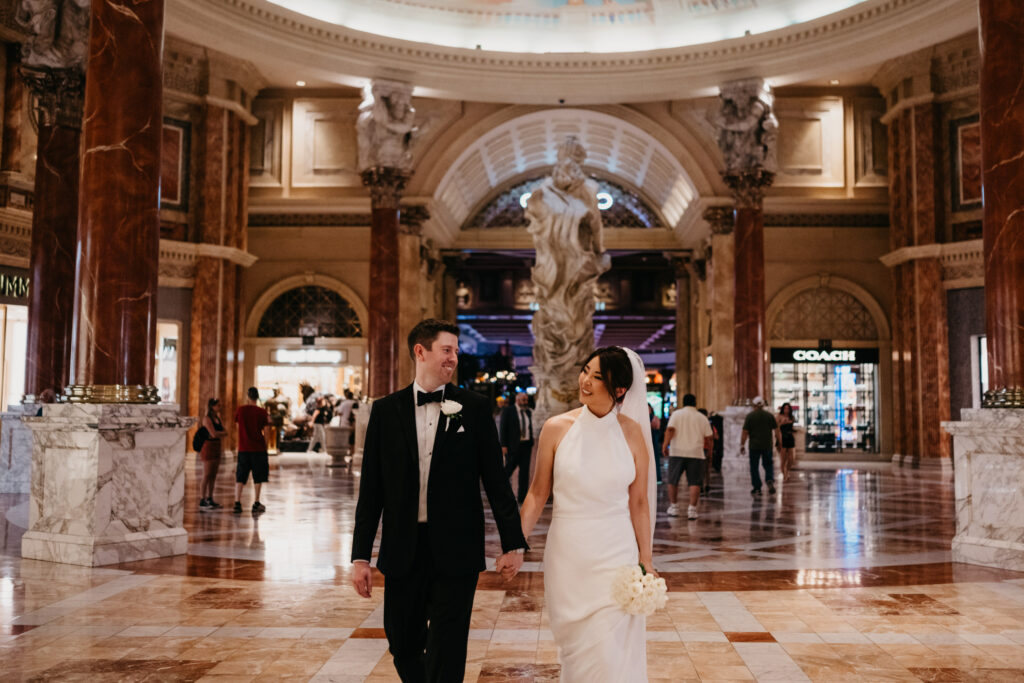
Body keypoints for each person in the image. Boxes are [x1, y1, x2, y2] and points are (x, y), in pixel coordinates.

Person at [351, 319, 527, 683]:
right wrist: (360, 556)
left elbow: (496, 481)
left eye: (456, 352)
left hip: (457, 549)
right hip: (403, 547)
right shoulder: (386, 411)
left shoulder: (475, 408)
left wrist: (513, 543)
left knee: (449, 645)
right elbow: (371, 490)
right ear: (421, 351)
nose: (454, 358)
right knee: (402, 641)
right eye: (447, 350)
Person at [517, 346, 656, 681]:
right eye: (585, 371)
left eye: (598, 377)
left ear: (619, 389)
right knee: (578, 654)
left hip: (617, 553)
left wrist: (646, 558)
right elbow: (537, 493)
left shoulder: (633, 433)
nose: (586, 381)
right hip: (569, 554)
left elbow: (638, 503)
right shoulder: (556, 428)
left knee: (611, 652)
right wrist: (514, 542)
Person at [661, 394, 713, 520]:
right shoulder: (702, 417)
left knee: (673, 480)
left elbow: (670, 430)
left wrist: (665, 445)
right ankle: (692, 509)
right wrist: (710, 452)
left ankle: (674, 507)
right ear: (695, 403)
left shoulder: (676, 414)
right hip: (696, 453)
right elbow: (709, 437)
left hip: (677, 451)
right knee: (695, 482)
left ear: (683, 402)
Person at [234, 387, 271, 514]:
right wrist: (265, 446)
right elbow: (266, 431)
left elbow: (237, 427)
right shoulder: (262, 412)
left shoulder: (241, 410)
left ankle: (237, 502)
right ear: (257, 397)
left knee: (240, 476)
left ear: (247, 397)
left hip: (244, 448)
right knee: (258, 476)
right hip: (258, 448)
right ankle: (256, 502)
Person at [740, 396, 782, 496]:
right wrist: (779, 442)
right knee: (768, 464)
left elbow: (745, 432)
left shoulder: (750, 416)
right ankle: (769, 479)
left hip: (754, 446)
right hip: (767, 445)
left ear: (754, 405)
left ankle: (757, 487)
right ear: (763, 405)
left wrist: (742, 444)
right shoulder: (769, 416)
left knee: (754, 467)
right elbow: (777, 430)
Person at [499, 392, 534, 505]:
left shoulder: (528, 412)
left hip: (526, 445)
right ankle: (500, 493)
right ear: (517, 400)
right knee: (507, 471)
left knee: (524, 473)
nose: (525, 402)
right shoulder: (508, 411)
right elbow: (503, 428)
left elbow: (529, 427)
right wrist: (503, 445)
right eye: (523, 400)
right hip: (513, 446)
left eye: (526, 400)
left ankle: (522, 498)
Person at [199, 398, 228, 509]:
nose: (220, 407)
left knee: (214, 475)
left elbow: (226, 432)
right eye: (218, 405)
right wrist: (220, 433)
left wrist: (219, 433)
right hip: (208, 446)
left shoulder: (217, 418)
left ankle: (210, 498)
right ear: (212, 406)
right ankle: (202, 499)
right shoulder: (207, 419)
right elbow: (213, 433)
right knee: (207, 474)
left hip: (216, 446)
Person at [777, 402, 797, 482]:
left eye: (788, 408)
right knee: (783, 458)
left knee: (791, 458)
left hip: (790, 437)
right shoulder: (779, 416)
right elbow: (777, 428)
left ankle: (787, 471)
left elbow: (791, 428)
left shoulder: (791, 417)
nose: (786, 410)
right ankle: (784, 474)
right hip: (782, 437)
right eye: (785, 408)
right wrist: (783, 422)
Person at [649, 403, 663, 484]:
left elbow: (657, 427)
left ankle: (657, 478)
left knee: (655, 459)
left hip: (654, 440)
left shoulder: (655, 418)